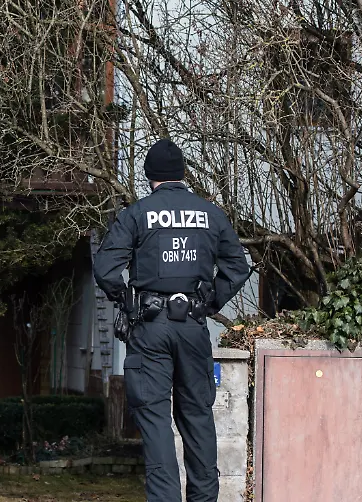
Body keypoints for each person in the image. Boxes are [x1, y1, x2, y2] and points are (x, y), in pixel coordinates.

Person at [93, 139, 251, 502]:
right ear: (183, 174)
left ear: (150, 176)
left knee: (155, 420)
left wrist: (127, 302)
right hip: (193, 326)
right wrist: (208, 303)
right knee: (197, 417)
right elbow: (237, 267)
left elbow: (105, 268)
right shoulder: (211, 214)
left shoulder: (137, 214)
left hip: (150, 327)